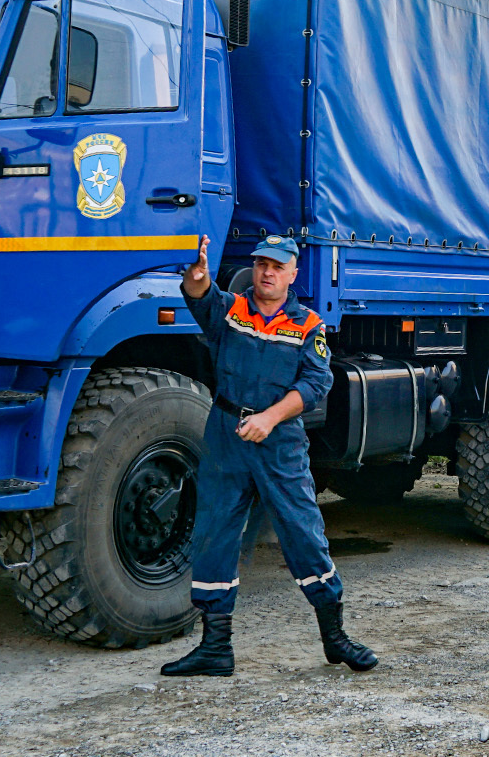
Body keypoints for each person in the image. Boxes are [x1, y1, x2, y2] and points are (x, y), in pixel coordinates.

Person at [161, 234, 379, 677]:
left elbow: (316, 385)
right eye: (261, 263)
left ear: (292, 274)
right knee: (214, 533)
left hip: (277, 442)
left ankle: (334, 639)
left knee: (303, 532)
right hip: (226, 434)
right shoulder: (232, 310)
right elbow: (201, 298)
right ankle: (215, 649)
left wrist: (269, 418)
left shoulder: (309, 326)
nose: (267, 272)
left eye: (277, 266)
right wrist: (197, 278)